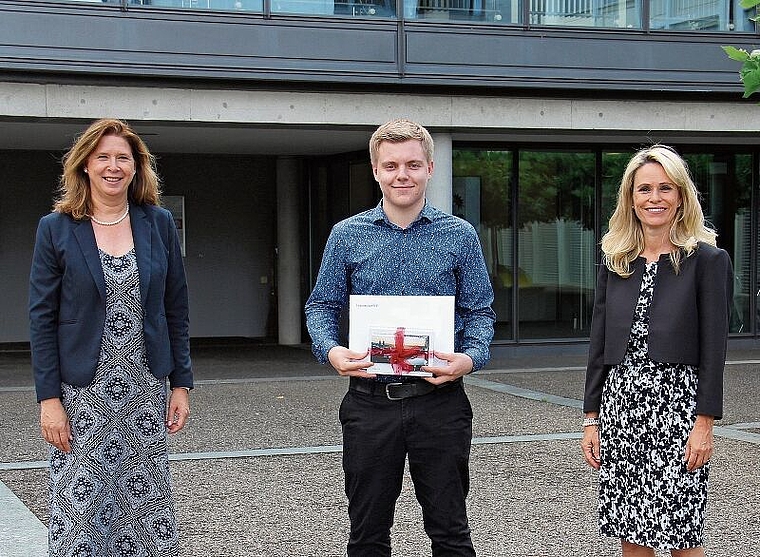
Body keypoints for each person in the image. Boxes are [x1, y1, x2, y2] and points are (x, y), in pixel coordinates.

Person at [305, 118, 495, 557]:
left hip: (441, 403)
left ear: (430, 167)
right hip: (369, 403)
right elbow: (322, 307)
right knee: (367, 535)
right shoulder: (346, 235)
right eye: (391, 166)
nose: (402, 175)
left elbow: (480, 312)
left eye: (412, 164)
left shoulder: (459, 236)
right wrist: (331, 349)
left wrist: (469, 359)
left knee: (450, 531)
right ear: (376, 171)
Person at [29, 118, 193, 556]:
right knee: (80, 504)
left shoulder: (157, 223)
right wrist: (49, 400)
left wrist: (181, 383)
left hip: (144, 388)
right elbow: (41, 319)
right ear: (84, 165)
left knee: (145, 503)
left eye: (123, 157)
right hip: (81, 392)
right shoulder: (56, 228)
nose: (113, 166)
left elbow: (175, 308)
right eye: (102, 157)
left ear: (137, 167)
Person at [581, 145, 733, 557]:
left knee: (682, 535)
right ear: (630, 198)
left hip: (677, 412)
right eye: (644, 189)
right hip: (623, 411)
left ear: (681, 196)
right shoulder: (617, 261)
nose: (654, 198)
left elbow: (714, 348)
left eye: (665, 188)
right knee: (631, 532)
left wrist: (705, 422)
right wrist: (591, 418)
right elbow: (599, 345)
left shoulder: (708, 260)